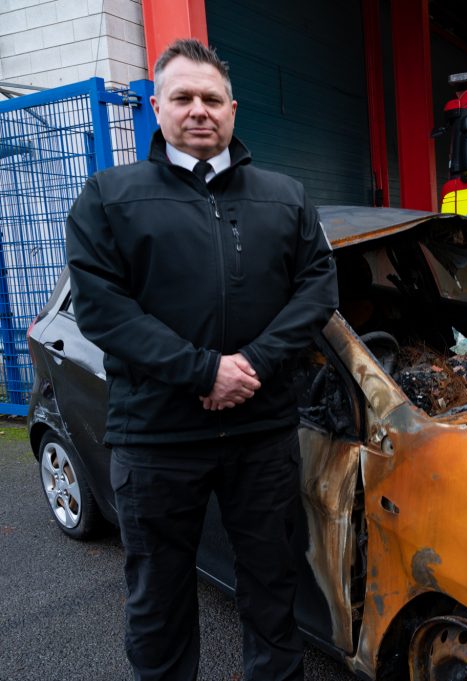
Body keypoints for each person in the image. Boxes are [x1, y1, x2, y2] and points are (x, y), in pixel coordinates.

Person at [64, 39, 338, 681]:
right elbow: (102, 309)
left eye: (211, 98)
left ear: (233, 109)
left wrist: (252, 365)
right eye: (183, 97)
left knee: (274, 590)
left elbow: (318, 287)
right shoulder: (110, 197)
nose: (198, 110)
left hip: (261, 433)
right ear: (156, 106)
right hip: (157, 437)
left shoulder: (287, 197)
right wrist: (202, 371)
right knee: (159, 603)